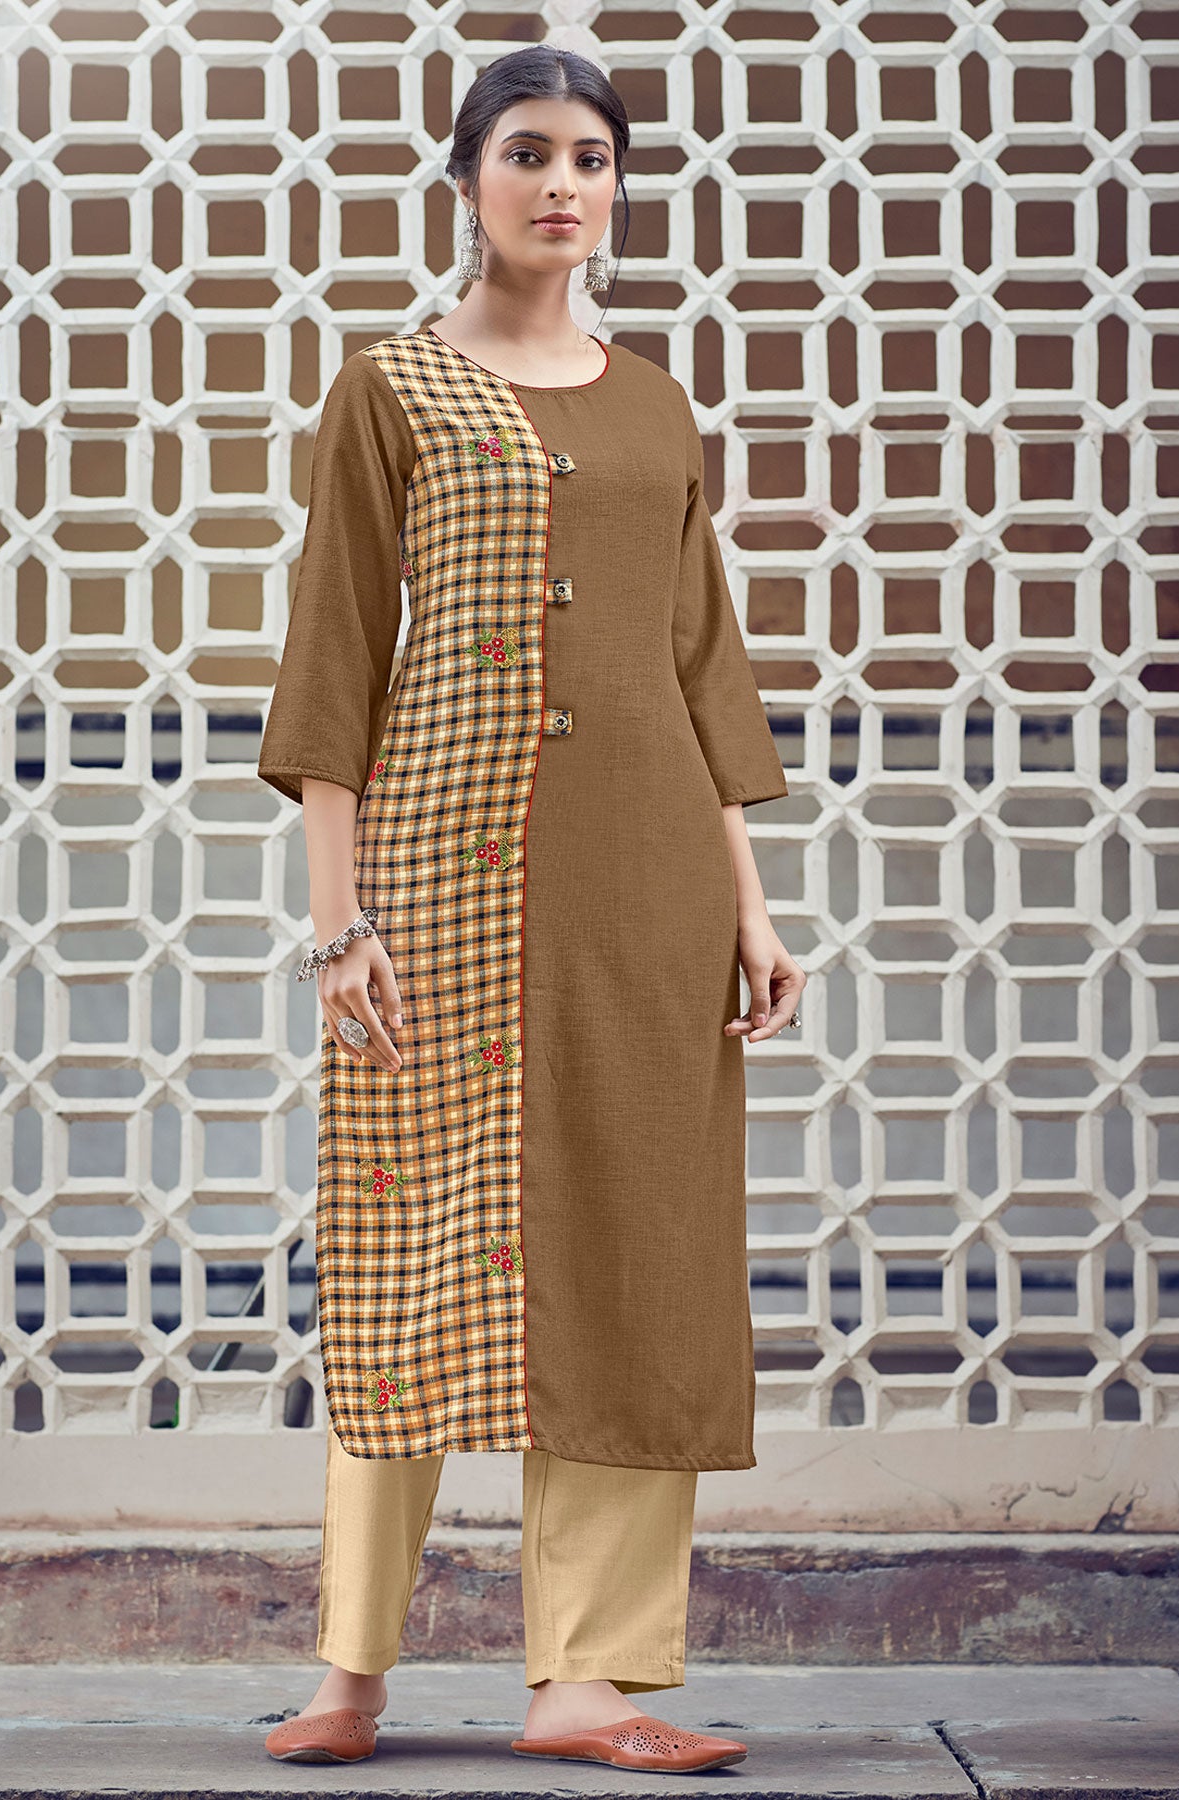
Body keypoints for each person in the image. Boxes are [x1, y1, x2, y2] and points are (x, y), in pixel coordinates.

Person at [254, 44, 807, 1775]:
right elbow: (336, 657)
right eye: (526, 152)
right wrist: (337, 923)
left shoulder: (655, 406)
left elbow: (699, 661)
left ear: (616, 188)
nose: (562, 183)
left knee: (640, 1256)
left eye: (590, 157)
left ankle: (589, 1682)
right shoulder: (393, 391)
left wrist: (751, 902)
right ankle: (353, 1668)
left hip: (647, 883)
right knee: (407, 1247)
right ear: (467, 179)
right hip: (438, 873)